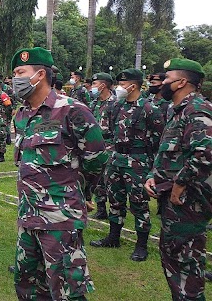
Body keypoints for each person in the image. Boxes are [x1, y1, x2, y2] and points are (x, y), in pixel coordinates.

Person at [11, 47, 107, 300]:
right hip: (28, 215)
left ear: (40, 74)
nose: (15, 79)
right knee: (27, 284)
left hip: (60, 218)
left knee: (67, 289)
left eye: (20, 72)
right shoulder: (22, 114)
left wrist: (80, 191)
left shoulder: (72, 110)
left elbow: (96, 158)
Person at [145, 58, 212, 300]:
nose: (162, 83)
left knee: (187, 265)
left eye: (167, 79)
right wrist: (153, 176)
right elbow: (167, 152)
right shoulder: (178, 111)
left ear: (182, 82)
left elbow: (205, 153)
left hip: (188, 202)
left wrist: (180, 184)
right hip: (173, 200)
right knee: (174, 261)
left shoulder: (197, 110)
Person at [90, 68, 164, 262]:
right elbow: (112, 133)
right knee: (115, 200)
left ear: (134, 85)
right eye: (120, 84)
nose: (121, 88)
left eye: (124, 85)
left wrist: (153, 170)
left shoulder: (149, 109)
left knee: (139, 204)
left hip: (138, 163)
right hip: (116, 160)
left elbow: (158, 143)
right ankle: (113, 237)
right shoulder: (117, 106)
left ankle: (141, 245)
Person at [88, 72, 117, 219]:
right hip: (96, 145)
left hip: (111, 146)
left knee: (111, 181)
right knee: (97, 179)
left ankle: (115, 210)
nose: (92, 87)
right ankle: (101, 209)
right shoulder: (94, 103)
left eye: (94, 84)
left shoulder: (116, 104)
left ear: (103, 85)